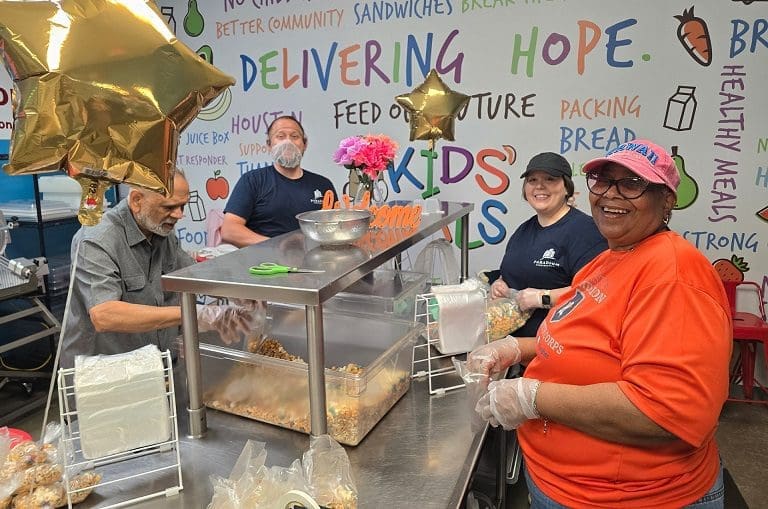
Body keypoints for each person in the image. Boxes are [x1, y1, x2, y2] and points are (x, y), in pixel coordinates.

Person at [468, 140, 732, 508]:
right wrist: (515, 348)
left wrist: (531, 397)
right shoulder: (610, 258)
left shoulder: (674, 276)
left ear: (667, 200)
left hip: (628, 497)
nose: (611, 194)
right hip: (561, 483)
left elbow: (666, 414)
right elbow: (585, 342)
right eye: (603, 181)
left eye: (632, 183)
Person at [61, 169, 256, 369]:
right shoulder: (96, 239)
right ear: (137, 201)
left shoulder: (160, 231)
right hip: (105, 370)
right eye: (169, 207)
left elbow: (190, 273)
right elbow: (104, 315)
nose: (179, 215)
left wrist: (233, 288)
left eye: (182, 205)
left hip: (154, 363)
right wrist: (195, 314)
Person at [491, 151, 607, 338]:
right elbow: (512, 272)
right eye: (532, 180)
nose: (539, 186)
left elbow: (596, 291)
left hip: (558, 345)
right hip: (514, 349)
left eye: (550, 179)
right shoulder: (524, 230)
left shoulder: (586, 232)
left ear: (567, 188)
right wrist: (500, 283)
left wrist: (542, 298)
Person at [221, 115, 337, 247]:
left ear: (305, 144)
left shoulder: (323, 185)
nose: (288, 142)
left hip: (313, 262)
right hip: (264, 264)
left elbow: (335, 229)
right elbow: (229, 230)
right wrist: (276, 246)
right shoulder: (252, 180)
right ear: (269, 145)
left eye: (294, 136)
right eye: (280, 136)